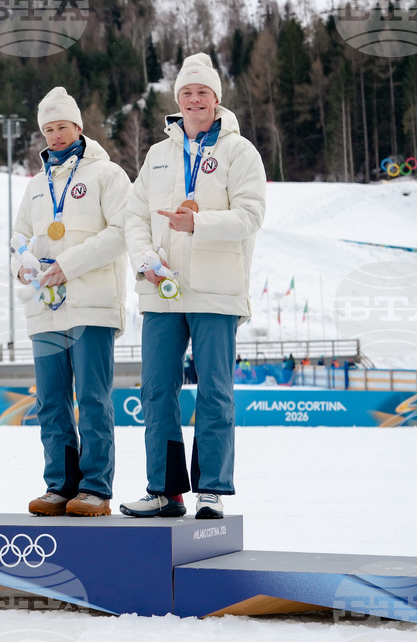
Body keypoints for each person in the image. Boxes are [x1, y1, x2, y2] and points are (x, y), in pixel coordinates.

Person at [120, 53, 266, 520]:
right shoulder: (158, 156)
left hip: (216, 291)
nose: (194, 99)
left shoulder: (240, 152)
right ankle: (164, 490)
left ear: (217, 99)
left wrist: (196, 223)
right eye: (187, 93)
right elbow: (134, 215)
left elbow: (250, 216)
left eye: (202, 92)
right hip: (161, 289)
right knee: (157, 390)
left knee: (215, 391)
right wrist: (145, 257)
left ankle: (211, 490)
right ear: (177, 100)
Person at [14, 87, 129, 518]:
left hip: (92, 305)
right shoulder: (35, 185)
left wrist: (69, 263)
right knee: (51, 400)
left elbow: (121, 233)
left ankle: (95, 487)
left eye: (62, 126)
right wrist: (20, 264)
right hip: (45, 307)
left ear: (79, 127)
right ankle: (60, 485)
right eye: (48, 129)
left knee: (94, 397)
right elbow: (18, 238)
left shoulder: (107, 174)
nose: (55, 135)